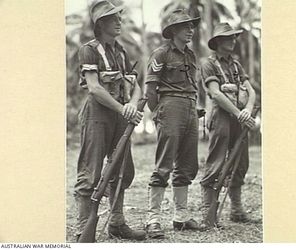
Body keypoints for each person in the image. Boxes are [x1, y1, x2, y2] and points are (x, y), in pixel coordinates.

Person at [74, 0, 146, 241]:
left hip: (119, 115)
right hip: (97, 114)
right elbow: (94, 88)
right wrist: (123, 109)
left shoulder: (120, 51)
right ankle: (83, 229)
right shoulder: (90, 50)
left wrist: (133, 106)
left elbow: (134, 85)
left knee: (122, 169)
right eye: (114, 18)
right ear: (101, 23)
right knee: (90, 171)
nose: (119, 21)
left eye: (119, 17)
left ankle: (116, 222)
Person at [144, 9, 201, 239]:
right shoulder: (161, 54)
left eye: (191, 26)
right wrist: (159, 113)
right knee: (164, 163)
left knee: (188, 163)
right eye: (185, 26)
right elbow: (150, 90)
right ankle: (153, 217)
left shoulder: (191, 56)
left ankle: (181, 216)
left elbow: (192, 86)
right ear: (173, 31)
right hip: (170, 108)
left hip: (190, 107)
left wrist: (193, 108)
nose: (190, 30)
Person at [199, 23, 256, 227]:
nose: (233, 40)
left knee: (241, 162)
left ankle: (237, 209)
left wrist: (247, 110)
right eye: (229, 37)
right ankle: (208, 212)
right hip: (221, 117)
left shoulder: (236, 65)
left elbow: (251, 91)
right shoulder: (209, 64)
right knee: (216, 162)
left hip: (239, 117)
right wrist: (239, 113)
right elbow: (215, 93)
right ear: (218, 42)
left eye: (234, 37)